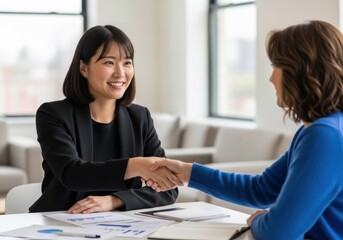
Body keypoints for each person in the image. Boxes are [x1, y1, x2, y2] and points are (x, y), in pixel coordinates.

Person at [148, 20, 343, 239]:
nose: (271, 78)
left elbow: (278, 232)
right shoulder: (317, 130)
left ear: (298, 70)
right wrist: (187, 172)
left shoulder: (324, 137)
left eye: (275, 66)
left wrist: (258, 220)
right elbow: (260, 189)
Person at [29, 25, 181, 213]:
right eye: (109, 62)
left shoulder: (140, 117)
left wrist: (115, 200)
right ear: (84, 68)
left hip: (121, 226)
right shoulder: (53, 114)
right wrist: (135, 166)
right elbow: (72, 174)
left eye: (127, 62)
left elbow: (168, 189)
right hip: (62, 222)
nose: (120, 73)